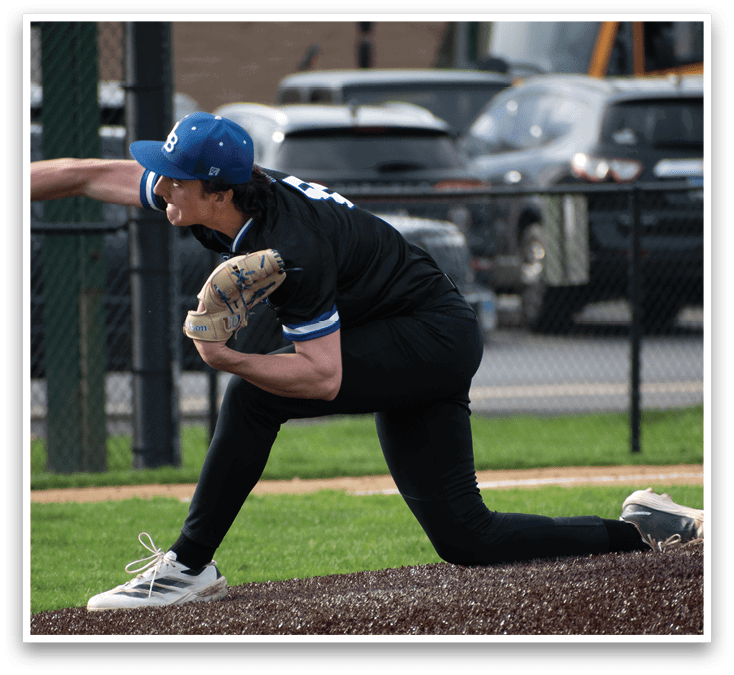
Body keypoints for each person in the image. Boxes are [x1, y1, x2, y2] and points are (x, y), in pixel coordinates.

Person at [31, 113, 704, 611]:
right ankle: (641, 529)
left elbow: (323, 375)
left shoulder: (288, 245)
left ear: (217, 189)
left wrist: (223, 357)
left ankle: (188, 566)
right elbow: (87, 175)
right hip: (402, 331)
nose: (161, 185)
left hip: (431, 337)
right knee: (466, 536)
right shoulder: (213, 200)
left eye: (175, 177)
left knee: (254, 395)